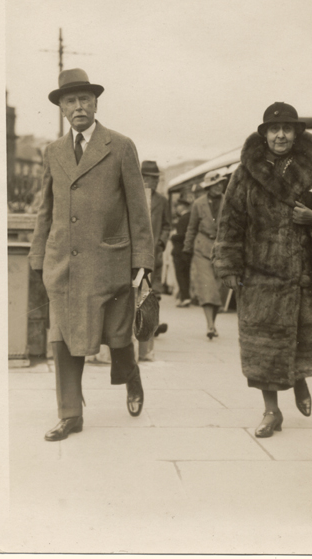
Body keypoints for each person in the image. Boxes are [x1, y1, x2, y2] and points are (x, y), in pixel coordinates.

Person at [29, 68, 154, 441]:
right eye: (70, 100)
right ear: (62, 108)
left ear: (96, 103)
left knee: (117, 338)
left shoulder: (120, 145)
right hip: (63, 264)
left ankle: (131, 376)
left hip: (109, 263)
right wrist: (39, 259)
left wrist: (143, 262)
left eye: (85, 99)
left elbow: (138, 209)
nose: (78, 106)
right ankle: (70, 415)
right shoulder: (53, 152)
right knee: (64, 338)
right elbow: (45, 209)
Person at [212, 102, 312, 438]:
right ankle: (271, 411)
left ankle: (299, 381)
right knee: (261, 348)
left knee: (301, 338)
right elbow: (230, 221)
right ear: (264, 133)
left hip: (302, 274)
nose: (281, 135)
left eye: (287, 129)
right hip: (260, 276)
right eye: (274, 129)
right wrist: (227, 264)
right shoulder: (244, 173)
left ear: (296, 133)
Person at [183, 170, 227, 339]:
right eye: (214, 184)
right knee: (207, 286)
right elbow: (192, 227)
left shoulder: (228, 202)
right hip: (201, 248)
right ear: (208, 186)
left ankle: (212, 324)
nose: (218, 186)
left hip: (221, 248)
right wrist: (187, 248)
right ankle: (210, 325)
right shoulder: (198, 204)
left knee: (216, 288)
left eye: (220, 183)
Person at [141, 160, 171, 336]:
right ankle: (141, 323)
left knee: (154, 290)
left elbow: (167, 224)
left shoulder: (162, 201)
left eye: (155, 179)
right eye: (150, 178)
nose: (153, 182)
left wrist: (161, 242)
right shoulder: (133, 196)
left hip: (155, 252)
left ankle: (153, 324)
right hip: (137, 251)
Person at [171, 192, 193, 307]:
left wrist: (172, 236)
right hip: (187, 251)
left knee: (180, 274)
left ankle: (185, 297)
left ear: (182, 206)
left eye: (178, 206)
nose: (176, 208)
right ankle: (183, 296)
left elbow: (181, 236)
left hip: (179, 250)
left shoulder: (183, 218)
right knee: (186, 274)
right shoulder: (190, 217)